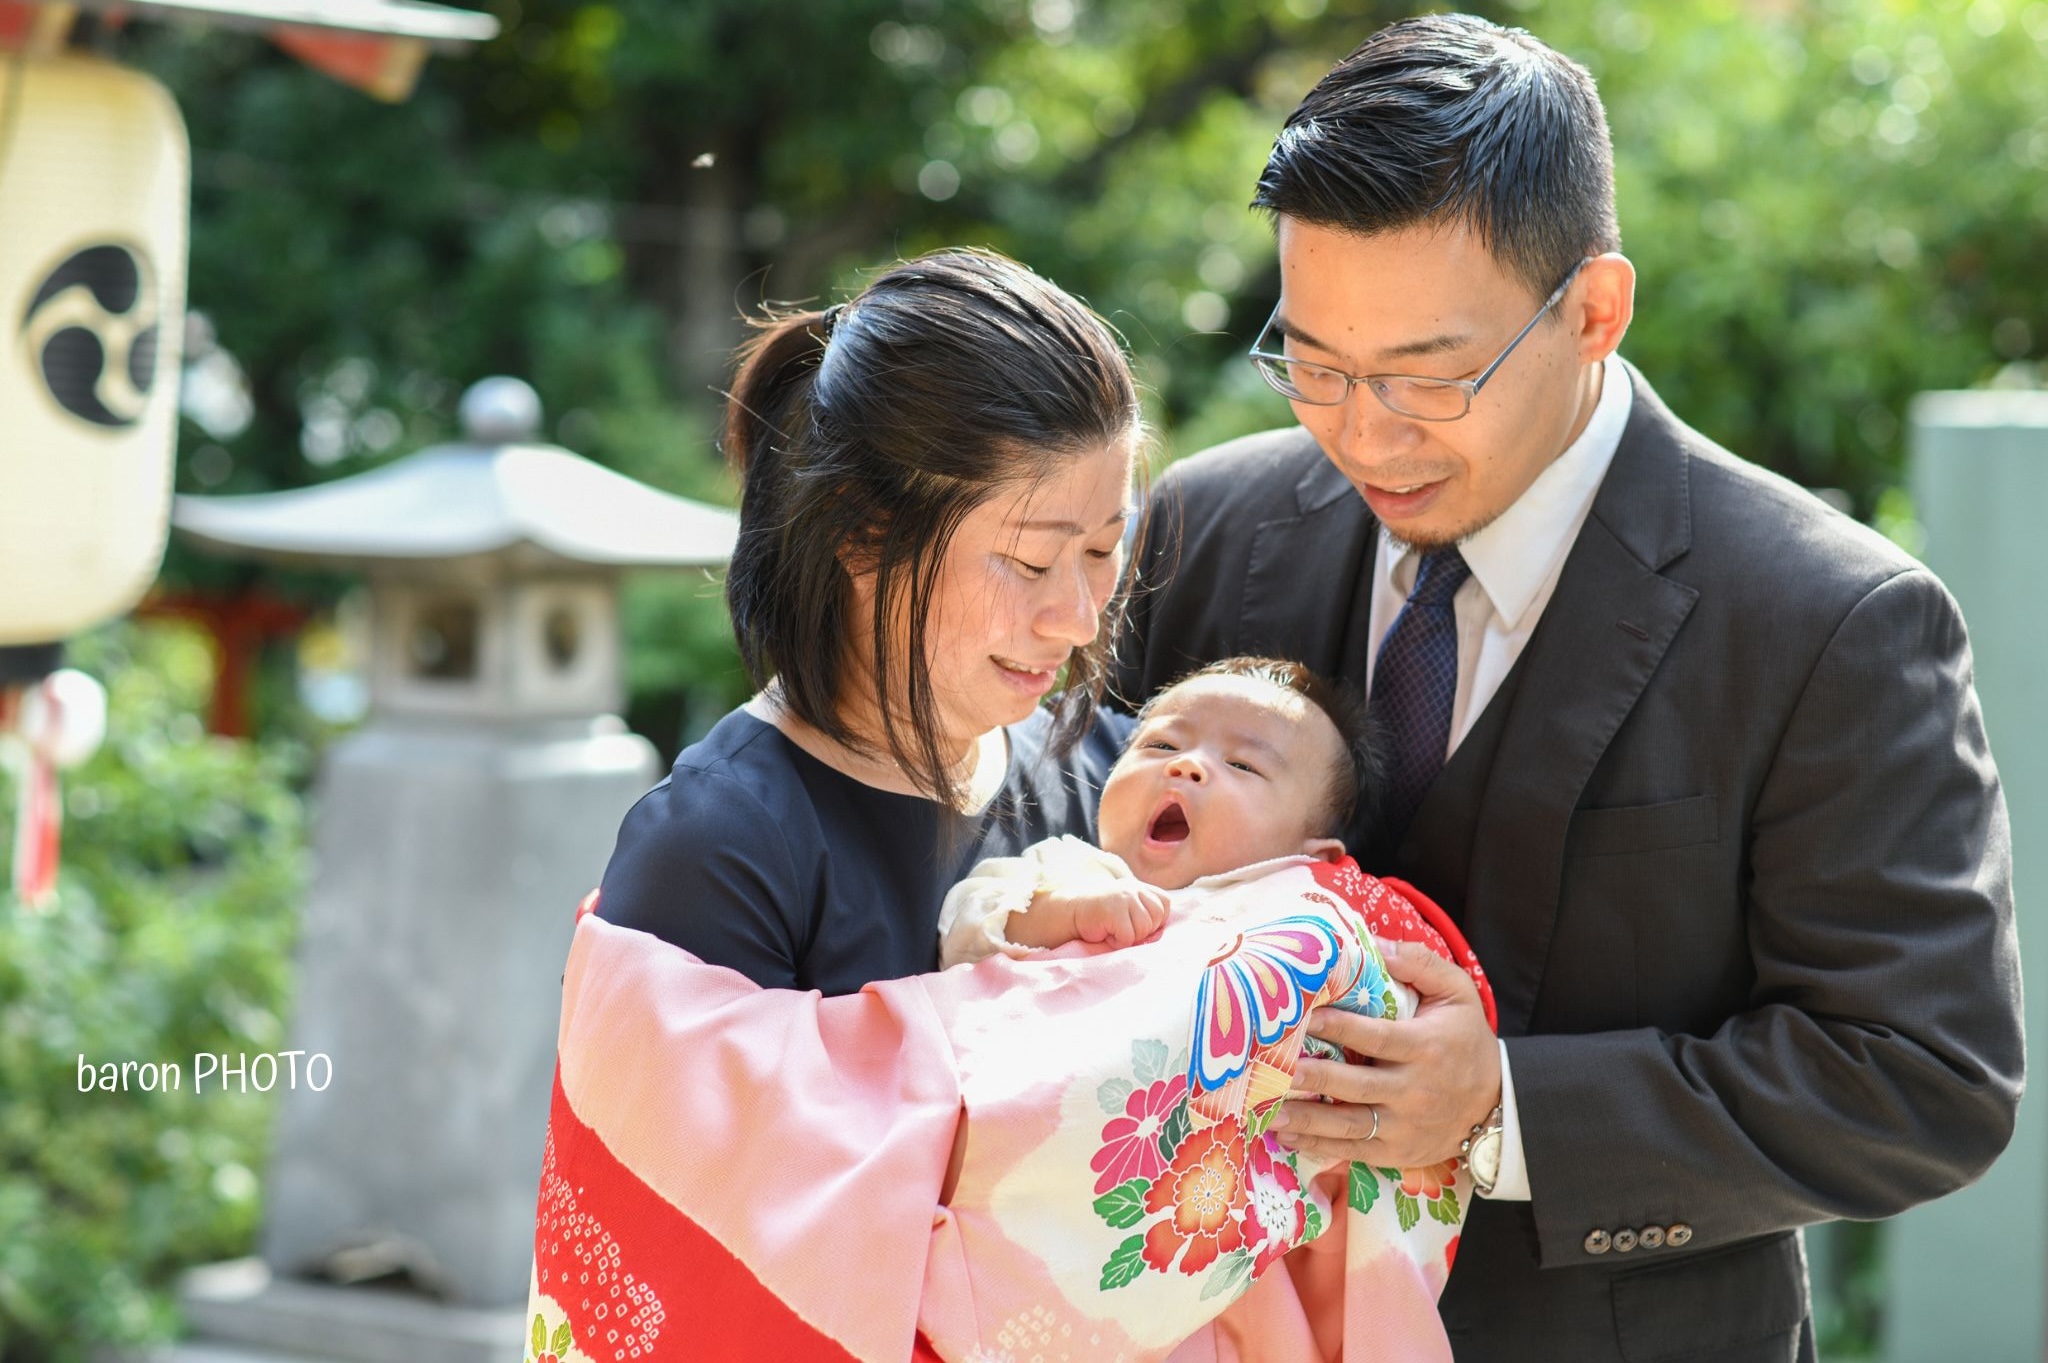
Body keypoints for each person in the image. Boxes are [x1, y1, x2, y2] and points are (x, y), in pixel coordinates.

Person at [1111, 15, 2023, 1361]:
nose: (1365, 431)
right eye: (1312, 361)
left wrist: (1504, 1112)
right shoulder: (1207, 526)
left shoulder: (1831, 619)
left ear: (1595, 308)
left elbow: (1921, 1077)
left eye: (1428, 374)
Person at [593, 246, 1143, 993]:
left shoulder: (1117, 775)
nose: (1078, 620)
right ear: (861, 530)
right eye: (1029, 562)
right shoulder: (717, 852)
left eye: (1105, 547)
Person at [936, 655, 1366, 964]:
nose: (1186, 764)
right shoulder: (1071, 870)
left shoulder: (1300, 922)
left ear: (1311, 861)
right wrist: (1068, 912)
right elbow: (963, 927)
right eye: (1161, 745)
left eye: (1242, 764)